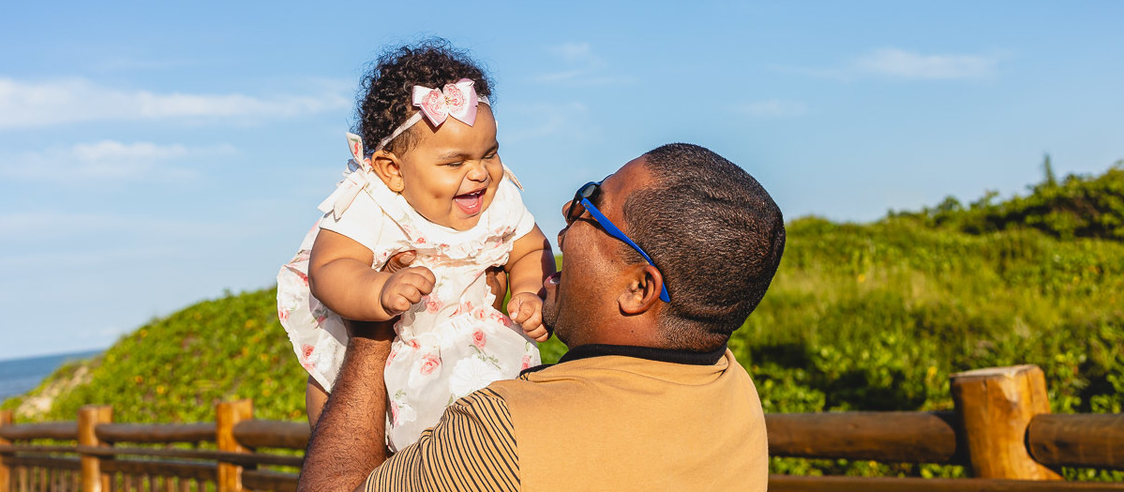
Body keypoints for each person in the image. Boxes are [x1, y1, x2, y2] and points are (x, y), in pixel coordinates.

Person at [296, 142, 786, 492]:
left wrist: (372, 333)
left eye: (592, 206)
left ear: (639, 289)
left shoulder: (501, 431)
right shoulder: (734, 387)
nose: (568, 212)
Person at [276, 41, 555, 450]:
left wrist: (530, 290)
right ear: (393, 170)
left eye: (490, 154)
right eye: (455, 162)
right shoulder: (371, 201)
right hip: (387, 347)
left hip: (470, 349)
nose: (480, 173)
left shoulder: (500, 200)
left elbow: (530, 249)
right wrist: (378, 290)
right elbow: (330, 266)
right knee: (329, 384)